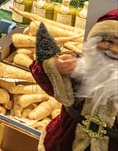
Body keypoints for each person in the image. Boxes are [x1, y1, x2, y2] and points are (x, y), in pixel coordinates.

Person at [30, 10, 118, 151]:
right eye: (108, 42)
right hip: (65, 141)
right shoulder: (79, 70)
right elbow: (47, 82)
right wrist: (54, 67)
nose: (113, 50)